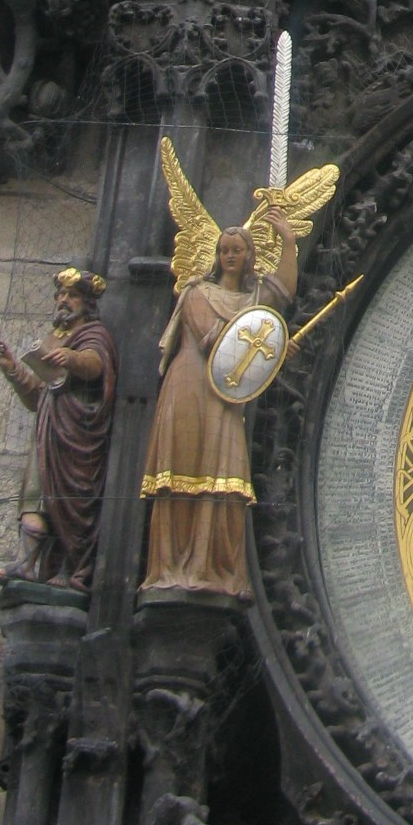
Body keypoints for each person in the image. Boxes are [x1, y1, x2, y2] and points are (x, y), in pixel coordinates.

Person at [140, 170, 300, 598]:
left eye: (238, 250)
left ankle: (218, 570)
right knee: (182, 471)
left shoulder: (252, 300)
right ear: (216, 255)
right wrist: (267, 339)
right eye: (224, 250)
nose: (230, 255)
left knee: (226, 476)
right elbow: (216, 340)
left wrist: (286, 239)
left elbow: (281, 292)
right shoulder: (196, 293)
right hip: (190, 387)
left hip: (227, 395)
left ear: (250, 257)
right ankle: (171, 567)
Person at [0, 268, 117, 588]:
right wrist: (12, 370)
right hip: (48, 425)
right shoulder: (52, 339)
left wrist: (72, 359)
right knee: (36, 493)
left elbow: (95, 365)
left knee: (70, 498)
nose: (63, 301)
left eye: (71, 295)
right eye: (60, 295)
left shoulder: (94, 333)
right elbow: (37, 395)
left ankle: (70, 568)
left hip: (78, 431)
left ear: (85, 302)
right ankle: (27, 563)